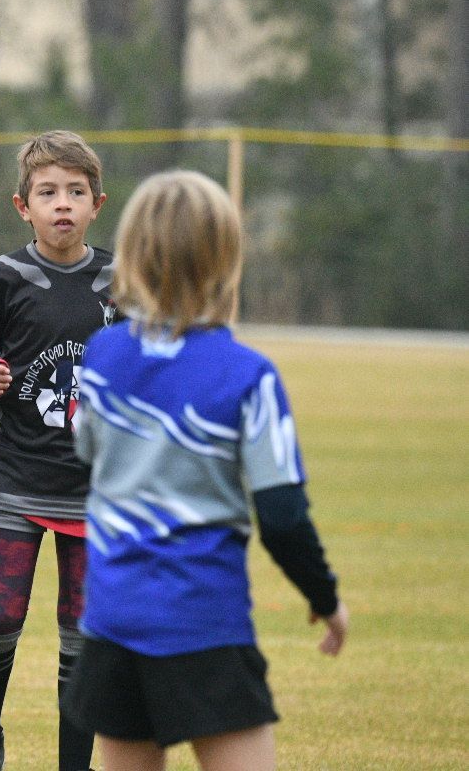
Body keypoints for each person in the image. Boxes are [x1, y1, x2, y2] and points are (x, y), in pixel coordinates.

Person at [64, 170, 348, 771]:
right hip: (204, 624)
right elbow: (283, 516)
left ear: (133, 255)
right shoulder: (248, 374)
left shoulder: (103, 356)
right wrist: (325, 597)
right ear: (225, 258)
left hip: (114, 622)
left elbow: (85, 457)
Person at [0, 130, 115, 771]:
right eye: (47, 192)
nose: (62, 203)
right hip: (16, 481)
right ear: (23, 206)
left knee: (82, 632)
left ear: (97, 204)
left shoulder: (120, 280)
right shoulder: (3, 278)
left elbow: (144, 369)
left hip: (94, 491)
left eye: (75, 191)